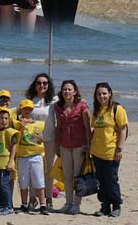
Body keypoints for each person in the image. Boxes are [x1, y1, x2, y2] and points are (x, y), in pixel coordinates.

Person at [90, 82, 128, 217]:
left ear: (110, 93)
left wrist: (119, 149)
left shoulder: (117, 109)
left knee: (111, 179)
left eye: (104, 93)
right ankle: (105, 207)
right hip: (96, 151)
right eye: (99, 94)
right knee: (100, 181)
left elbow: (123, 129)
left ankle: (116, 205)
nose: (102, 96)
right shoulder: (97, 110)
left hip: (111, 151)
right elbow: (93, 128)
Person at [55, 80, 91, 215]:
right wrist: (58, 145)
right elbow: (59, 127)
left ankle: (77, 204)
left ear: (75, 91)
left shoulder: (83, 106)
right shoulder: (59, 107)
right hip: (64, 145)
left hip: (79, 145)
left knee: (78, 176)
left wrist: (88, 146)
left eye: (70, 89)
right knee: (67, 176)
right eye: (65, 89)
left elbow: (88, 128)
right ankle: (68, 203)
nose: (67, 92)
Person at [24, 73, 57, 210]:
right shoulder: (30, 99)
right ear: (35, 85)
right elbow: (23, 116)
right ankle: (33, 198)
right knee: (33, 170)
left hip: (49, 139)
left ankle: (48, 198)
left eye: (45, 83)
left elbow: (69, 103)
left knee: (49, 170)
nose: (42, 85)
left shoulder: (54, 101)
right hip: (33, 140)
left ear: (48, 85)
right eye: (39, 83)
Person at [15, 99, 49, 215]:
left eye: (29, 108)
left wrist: (38, 137)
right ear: (21, 109)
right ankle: (24, 204)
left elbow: (41, 140)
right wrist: (20, 126)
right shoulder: (16, 123)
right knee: (23, 181)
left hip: (35, 156)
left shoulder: (37, 124)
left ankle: (43, 205)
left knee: (39, 181)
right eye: (25, 108)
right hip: (22, 156)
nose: (27, 111)